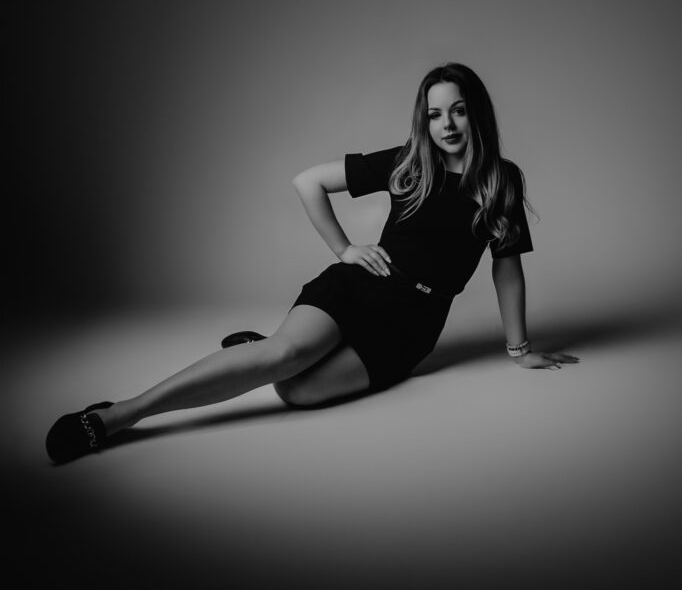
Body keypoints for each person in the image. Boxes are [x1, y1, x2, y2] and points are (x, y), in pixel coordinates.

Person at [46, 62, 577, 463]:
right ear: (425, 120)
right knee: (284, 356)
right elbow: (309, 182)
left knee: (297, 391)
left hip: (414, 326)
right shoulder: (410, 164)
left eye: (457, 110)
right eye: (434, 114)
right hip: (362, 286)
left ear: (475, 111)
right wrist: (345, 250)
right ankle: (119, 415)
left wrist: (519, 351)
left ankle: (260, 350)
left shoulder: (501, 182)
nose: (447, 124)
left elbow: (507, 269)